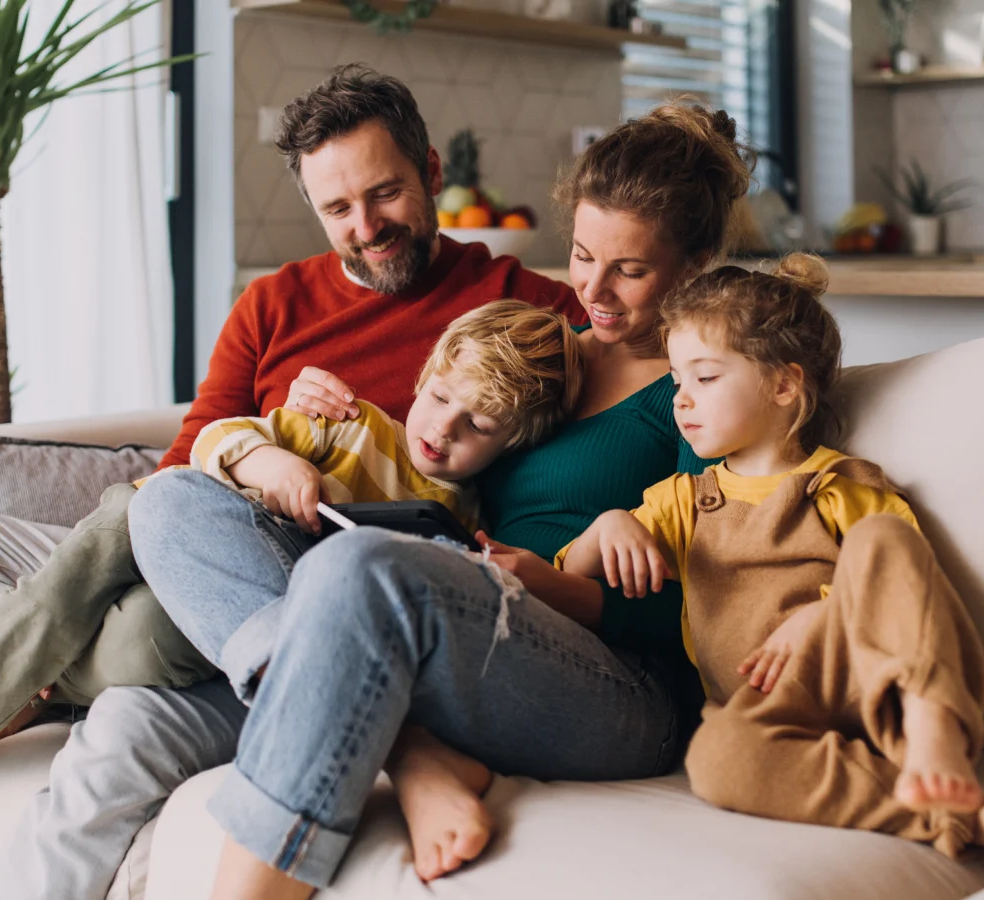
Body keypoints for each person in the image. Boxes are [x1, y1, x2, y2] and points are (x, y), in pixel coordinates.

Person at [0, 64, 581, 900]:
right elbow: (181, 470)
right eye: (338, 209)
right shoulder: (274, 304)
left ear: (432, 174)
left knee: (113, 745)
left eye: (384, 195)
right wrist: (262, 456)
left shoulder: (516, 310)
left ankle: (24, 674)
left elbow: (629, 366)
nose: (367, 228)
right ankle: (36, 667)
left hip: (305, 616)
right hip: (198, 550)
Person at [128, 100, 752, 898]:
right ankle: (411, 746)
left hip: (622, 688)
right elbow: (439, 462)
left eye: (629, 271)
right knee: (171, 503)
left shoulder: (702, 390)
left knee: (359, 569)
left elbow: (720, 609)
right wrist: (332, 428)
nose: (591, 291)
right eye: (582, 255)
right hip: (470, 624)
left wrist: (560, 579)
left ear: (695, 265)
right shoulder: (545, 355)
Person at [559, 255, 984, 866]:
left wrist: (822, 618)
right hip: (767, 709)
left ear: (783, 385)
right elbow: (573, 571)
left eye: (706, 378)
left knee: (884, 537)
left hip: (867, 681)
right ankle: (966, 815)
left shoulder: (838, 483)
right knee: (715, 761)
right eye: (677, 381)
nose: (683, 401)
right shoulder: (684, 501)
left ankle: (935, 724)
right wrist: (609, 523)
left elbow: (907, 581)